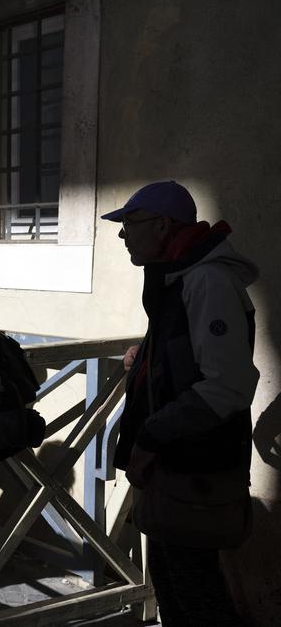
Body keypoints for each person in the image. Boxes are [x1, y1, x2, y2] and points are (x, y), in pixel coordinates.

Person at [103, 180, 258, 626]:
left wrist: (151, 436)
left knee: (197, 597)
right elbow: (187, 351)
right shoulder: (180, 274)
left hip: (194, 468)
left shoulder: (207, 279)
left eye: (130, 224)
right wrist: (146, 354)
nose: (122, 234)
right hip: (173, 468)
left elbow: (227, 385)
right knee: (174, 589)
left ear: (163, 226)